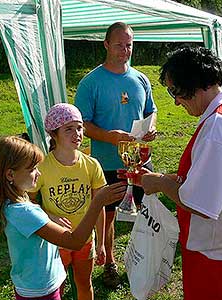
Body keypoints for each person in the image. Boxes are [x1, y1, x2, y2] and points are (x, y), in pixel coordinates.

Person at [133, 46, 222, 299]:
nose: (176, 101)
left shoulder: (218, 127)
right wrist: (171, 180)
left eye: (176, 92)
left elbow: (201, 204)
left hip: (217, 256)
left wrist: (159, 183)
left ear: (195, 84)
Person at [0, 135, 126, 300]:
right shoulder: (24, 212)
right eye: (32, 169)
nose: (39, 173)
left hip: (33, 285)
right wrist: (97, 203)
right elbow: (75, 241)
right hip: (42, 292)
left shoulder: (11, 203)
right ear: (10, 175)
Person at [74, 21, 157, 288]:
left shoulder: (141, 78)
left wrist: (151, 127)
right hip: (107, 163)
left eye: (129, 45)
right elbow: (82, 124)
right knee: (108, 214)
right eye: (119, 44)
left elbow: (150, 111)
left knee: (145, 211)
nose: (125, 50)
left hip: (139, 162)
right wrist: (110, 136)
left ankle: (143, 258)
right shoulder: (90, 82)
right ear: (106, 44)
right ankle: (109, 260)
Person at [28, 103, 109, 300]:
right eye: (69, 129)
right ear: (54, 134)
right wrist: (49, 215)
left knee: (84, 284)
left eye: (80, 127)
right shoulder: (42, 167)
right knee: (57, 289)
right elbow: (27, 202)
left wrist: (101, 243)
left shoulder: (91, 164)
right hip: (55, 240)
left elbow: (99, 205)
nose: (77, 134)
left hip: (85, 239)